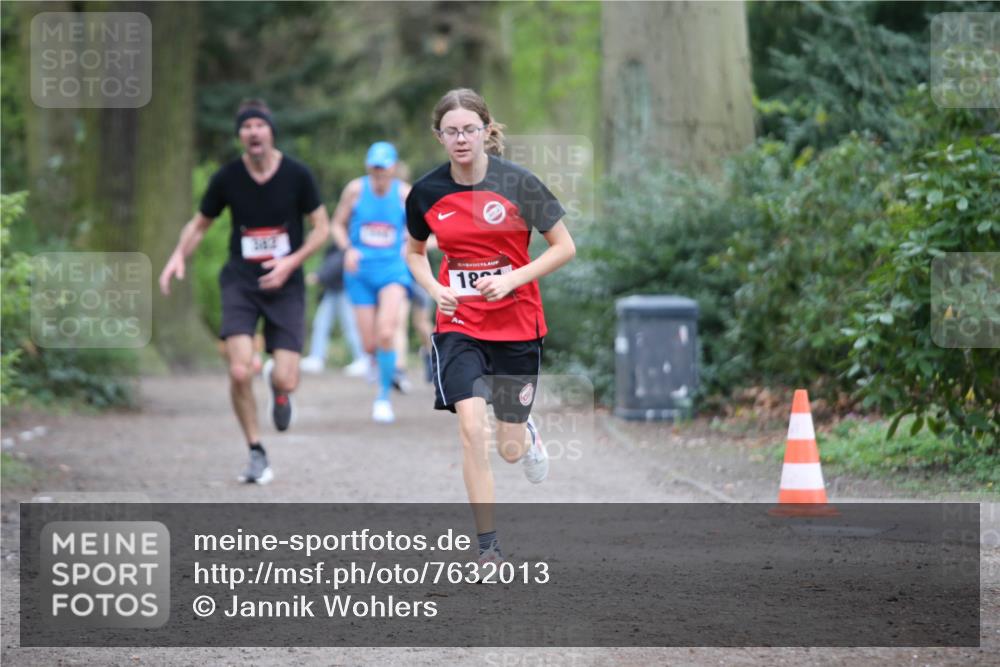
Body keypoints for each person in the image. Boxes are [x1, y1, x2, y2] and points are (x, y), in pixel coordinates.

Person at [404, 88, 575, 565]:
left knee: (511, 449)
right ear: (439, 136)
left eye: (470, 129)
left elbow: (564, 247)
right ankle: (488, 547)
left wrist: (513, 278)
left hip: (517, 322)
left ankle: (527, 431)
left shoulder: (520, 184)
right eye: (451, 131)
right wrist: (434, 290)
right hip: (458, 322)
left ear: (486, 130)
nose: (461, 139)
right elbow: (415, 253)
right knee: (469, 427)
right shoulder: (426, 192)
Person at [159, 99, 329, 485]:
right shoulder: (227, 178)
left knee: (287, 378)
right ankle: (255, 451)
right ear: (241, 136)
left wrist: (290, 262)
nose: (253, 132)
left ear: (271, 132)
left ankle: (279, 390)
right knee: (238, 370)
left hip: (286, 285)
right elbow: (200, 225)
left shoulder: (297, 175)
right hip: (240, 281)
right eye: (246, 127)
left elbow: (321, 227)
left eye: (259, 125)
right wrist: (176, 256)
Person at [330, 142, 411, 424]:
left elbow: (425, 230)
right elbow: (337, 224)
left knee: (386, 333)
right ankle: (379, 364)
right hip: (360, 272)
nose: (379, 173)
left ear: (393, 168)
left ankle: (383, 398)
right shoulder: (354, 190)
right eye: (374, 167)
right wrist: (347, 249)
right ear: (368, 167)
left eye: (384, 167)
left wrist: (410, 245)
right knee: (369, 345)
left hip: (393, 270)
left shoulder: (403, 193)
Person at [300, 244, 368, 376]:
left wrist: (319, 276)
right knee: (321, 323)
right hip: (332, 289)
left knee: (351, 324)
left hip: (345, 288)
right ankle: (317, 356)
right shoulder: (336, 243)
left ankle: (363, 358)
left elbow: (338, 261)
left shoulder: (348, 238)